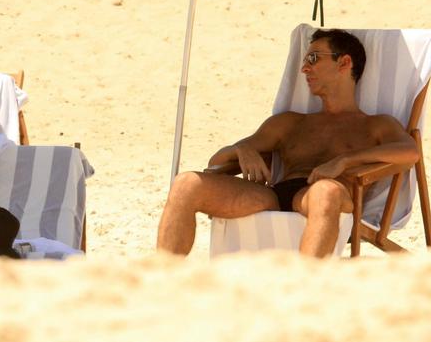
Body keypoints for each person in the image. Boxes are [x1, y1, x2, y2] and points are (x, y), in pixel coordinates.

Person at [157, 29, 420, 258]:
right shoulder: (290, 123)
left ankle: (303, 287)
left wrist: (343, 161)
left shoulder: (376, 125)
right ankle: (161, 280)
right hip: (273, 195)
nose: (305, 68)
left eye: (313, 58)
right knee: (186, 184)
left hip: (325, 197)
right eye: (305, 60)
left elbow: (410, 153)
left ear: (344, 63)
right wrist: (242, 149)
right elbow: (216, 162)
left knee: (325, 191)